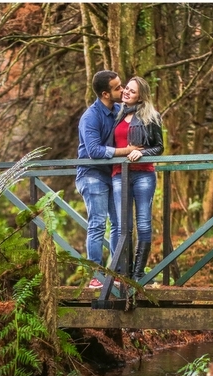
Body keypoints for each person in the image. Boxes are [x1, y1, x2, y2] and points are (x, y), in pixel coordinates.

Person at [76, 70, 139, 289]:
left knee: (119, 224)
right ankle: (97, 277)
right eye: (117, 88)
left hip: (112, 174)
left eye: (122, 86)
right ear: (105, 93)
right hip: (91, 174)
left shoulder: (118, 111)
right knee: (97, 225)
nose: (122, 90)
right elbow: (93, 150)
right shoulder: (91, 117)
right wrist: (126, 151)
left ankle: (117, 274)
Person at [109, 76, 164, 282]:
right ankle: (124, 273)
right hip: (118, 174)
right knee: (124, 225)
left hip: (143, 174)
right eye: (126, 90)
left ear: (141, 95)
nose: (126, 93)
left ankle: (138, 275)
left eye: (132, 91)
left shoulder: (151, 116)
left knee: (143, 224)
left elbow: (159, 147)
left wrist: (142, 153)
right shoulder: (117, 115)